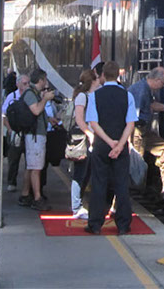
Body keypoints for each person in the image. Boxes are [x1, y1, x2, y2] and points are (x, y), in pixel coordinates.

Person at [85, 60, 137, 235]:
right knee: (122, 185)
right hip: (121, 146)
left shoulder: (94, 96)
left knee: (99, 183)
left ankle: (96, 224)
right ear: (118, 75)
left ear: (103, 75)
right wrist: (120, 145)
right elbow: (130, 123)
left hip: (101, 145)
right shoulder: (127, 95)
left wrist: (108, 142)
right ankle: (123, 224)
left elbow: (93, 123)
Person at [129, 67, 164, 194]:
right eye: (162, 84)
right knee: (135, 167)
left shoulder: (145, 88)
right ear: (157, 80)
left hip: (143, 131)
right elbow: (132, 117)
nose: (162, 87)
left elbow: (152, 105)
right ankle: (118, 203)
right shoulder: (141, 91)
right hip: (137, 132)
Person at [17, 68, 54, 211]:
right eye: (45, 79)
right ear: (41, 80)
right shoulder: (31, 94)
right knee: (36, 168)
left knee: (31, 166)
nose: (46, 82)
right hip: (35, 136)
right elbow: (36, 110)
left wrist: (50, 120)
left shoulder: (33, 93)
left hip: (35, 135)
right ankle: (37, 198)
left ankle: (26, 194)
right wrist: (45, 99)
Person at [70, 69, 99, 219]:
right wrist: (90, 134)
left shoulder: (89, 96)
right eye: (97, 78)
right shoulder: (82, 97)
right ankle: (76, 206)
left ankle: (79, 204)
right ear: (92, 81)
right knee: (80, 172)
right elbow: (79, 119)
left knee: (86, 172)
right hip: (83, 138)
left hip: (89, 137)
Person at [1, 73, 30, 191]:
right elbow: (4, 114)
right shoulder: (11, 97)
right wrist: (9, 130)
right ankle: (11, 182)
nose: (27, 86)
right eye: (24, 83)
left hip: (28, 132)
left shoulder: (31, 97)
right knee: (13, 159)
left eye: (28, 83)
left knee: (30, 161)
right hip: (15, 131)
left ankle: (27, 186)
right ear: (18, 84)